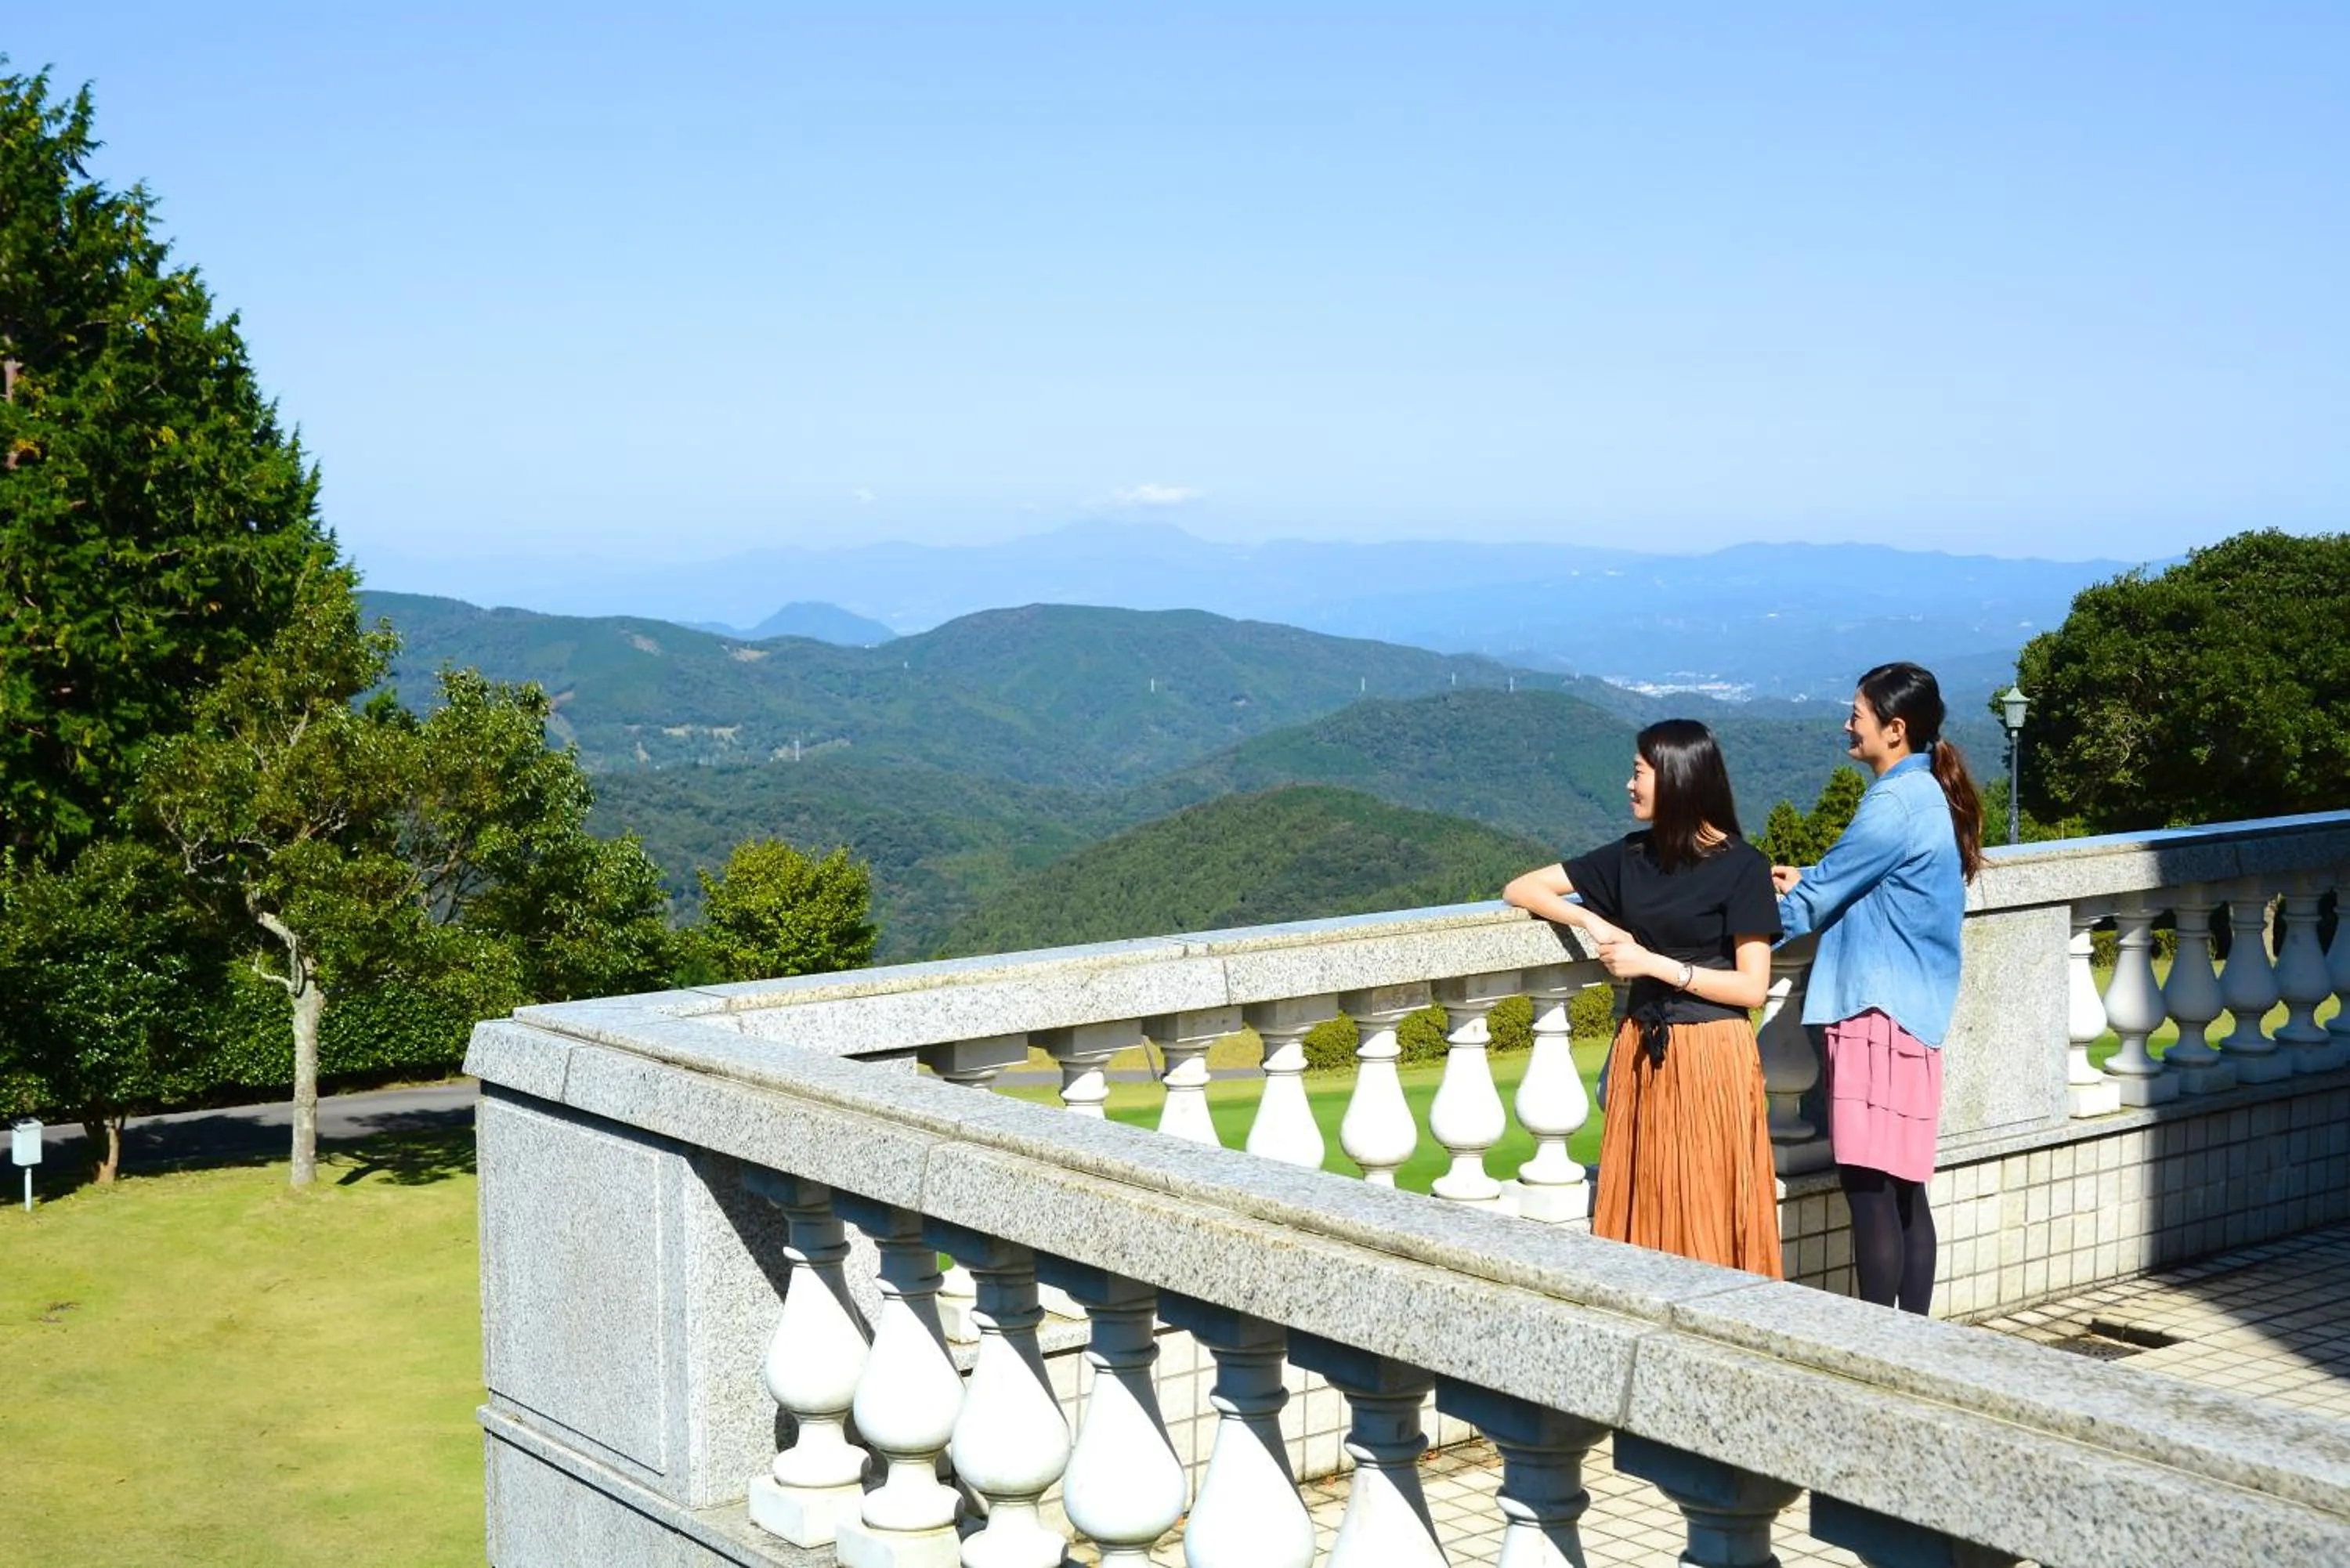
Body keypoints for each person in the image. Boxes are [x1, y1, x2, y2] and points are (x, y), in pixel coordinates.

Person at [1504, 718, 1782, 1277]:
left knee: (1706, 1204)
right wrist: (1591, 918)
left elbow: (1751, 988)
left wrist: (1653, 964)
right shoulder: (1631, 856)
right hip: (1642, 1050)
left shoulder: (1743, 867)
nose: (1629, 786)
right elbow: (1522, 888)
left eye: (1638, 773)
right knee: (1643, 1198)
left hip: (1711, 1055)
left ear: (1677, 779)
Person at [1773, 661, 1983, 1315]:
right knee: (1904, 1191)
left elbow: (1811, 906)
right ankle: (1915, 1339)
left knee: (1868, 1189)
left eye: (1856, 715)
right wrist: (1816, 876)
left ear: (1895, 730)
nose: (1846, 725)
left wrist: (1716, 926)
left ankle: (1881, 1344)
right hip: (1913, 1015)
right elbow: (1870, 878)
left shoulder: (1892, 803)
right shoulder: (1926, 796)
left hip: (1875, 1013)